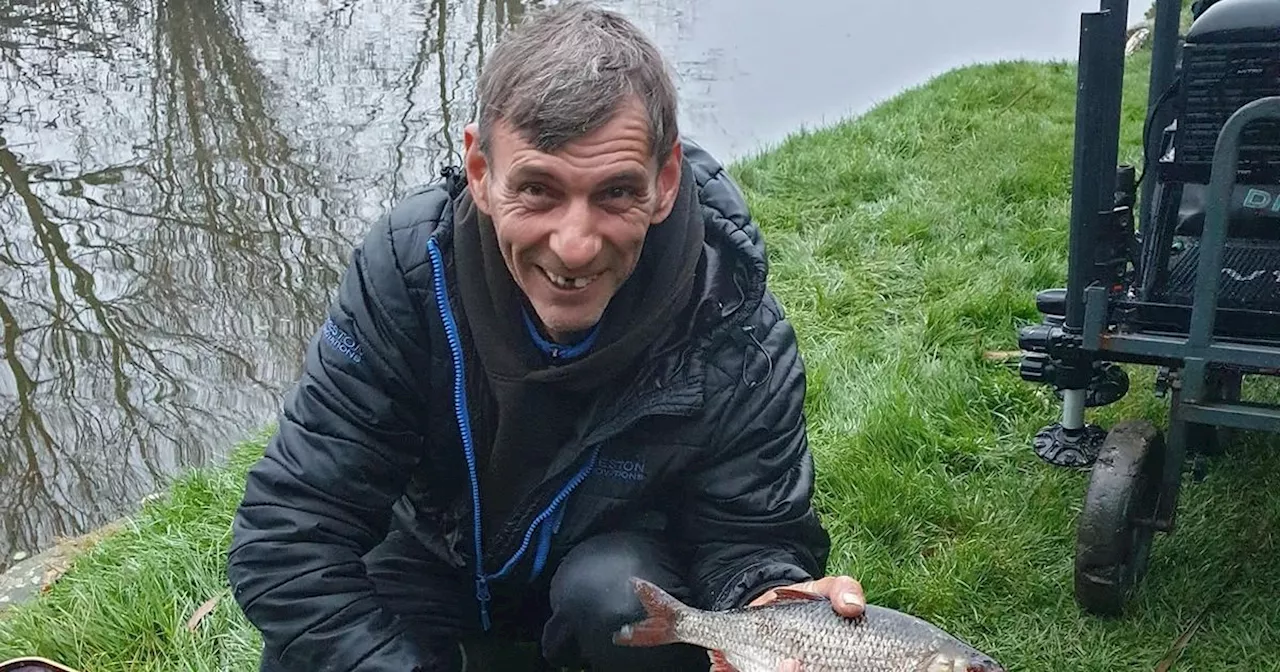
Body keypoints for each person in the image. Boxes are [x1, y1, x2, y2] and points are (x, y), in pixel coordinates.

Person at [226, 3, 862, 671]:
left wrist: (769, 603)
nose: (576, 245)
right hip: (435, 564)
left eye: (616, 193)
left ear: (665, 180)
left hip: (614, 585)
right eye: (537, 189)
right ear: (479, 170)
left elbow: (750, 539)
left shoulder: (733, 325)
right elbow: (288, 534)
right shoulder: (410, 275)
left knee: (614, 592)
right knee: (312, 642)